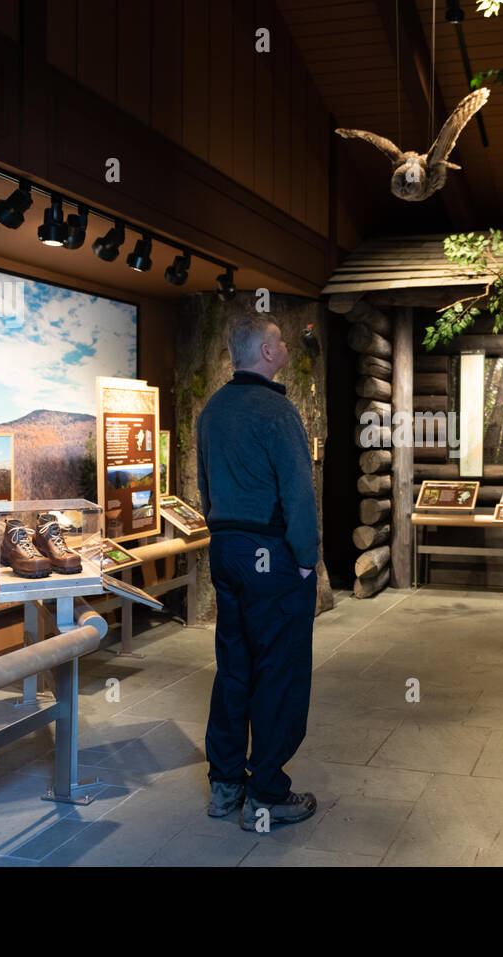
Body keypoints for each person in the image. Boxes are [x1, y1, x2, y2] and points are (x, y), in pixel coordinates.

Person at [196, 315, 319, 832]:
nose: (288, 346)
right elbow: (297, 490)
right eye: (282, 341)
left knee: (234, 666)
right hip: (272, 553)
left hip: (226, 549)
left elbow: (205, 486)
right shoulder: (276, 409)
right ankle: (266, 794)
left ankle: (226, 786)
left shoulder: (212, 411)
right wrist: (307, 555)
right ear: (267, 352)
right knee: (279, 671)